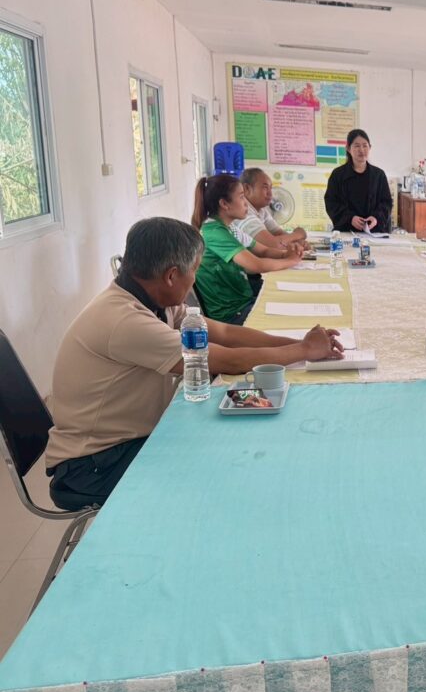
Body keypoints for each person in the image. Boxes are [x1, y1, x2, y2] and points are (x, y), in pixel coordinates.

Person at [45, 217, 344, 509]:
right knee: (225, 462)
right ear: (171, 276)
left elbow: (225, 333)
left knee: (240, 422)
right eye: (195, 270)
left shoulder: (151, 299)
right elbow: (227, 360)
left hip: (128, 438)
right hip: (94, 463)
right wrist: (304, 350)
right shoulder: (124, 321)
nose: (195, 280)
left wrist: (299, 343)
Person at [192, 174, 301, 324]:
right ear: (224, 204)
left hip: (244, 300)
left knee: (291, 301)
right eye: (242, 197)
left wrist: (287, 254)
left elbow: (263, 251)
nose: (246, 204)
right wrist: (291, 261)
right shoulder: (214, 232)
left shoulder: (230, 227)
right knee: (291, 316)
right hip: (232, 314)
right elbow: (257, 265)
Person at [324, 129, 393, 233]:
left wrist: (376, 218)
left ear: (370, 147)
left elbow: (386, 202)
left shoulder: (379, 175)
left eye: (365, 146)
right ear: (348, 149)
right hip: (346, 230)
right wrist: (350, 218)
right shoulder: (338, 175)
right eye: (357, 146)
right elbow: (331, 202)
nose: (361, 150)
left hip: (374, 232)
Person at [236, 168, 307, 250]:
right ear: (246, 188)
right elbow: (272, 245)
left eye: (270, 188)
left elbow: (279, 234)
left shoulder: (262, 211)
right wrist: (298, 234)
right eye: (265, 188)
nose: (270, 194)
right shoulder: (242, 212)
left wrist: (298, 243)